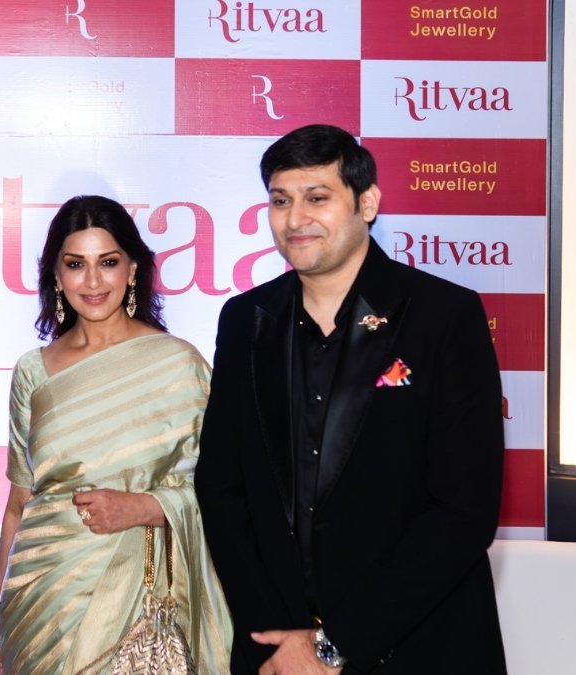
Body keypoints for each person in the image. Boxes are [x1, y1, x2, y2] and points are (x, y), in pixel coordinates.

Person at [195, 125, 507, 674]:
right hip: (278, 653)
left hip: (416, 647)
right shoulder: (245, 319)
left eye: (317, 198)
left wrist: (334, 644)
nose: (295, 219)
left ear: (367, 203)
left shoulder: (443, 315)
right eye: (280, 201)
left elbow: (464, 511)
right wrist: (280, 640)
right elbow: (221, 488)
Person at [0, 195, 232, 674]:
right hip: (39, 605)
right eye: (76, 264)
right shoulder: (33, 371)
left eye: (108, 262)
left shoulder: (179, 365)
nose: (93, 281)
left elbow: (226, 492)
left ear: (132, 269)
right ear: (56, 276)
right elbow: (17, 506)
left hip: (135, 605)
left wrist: (145, 507)